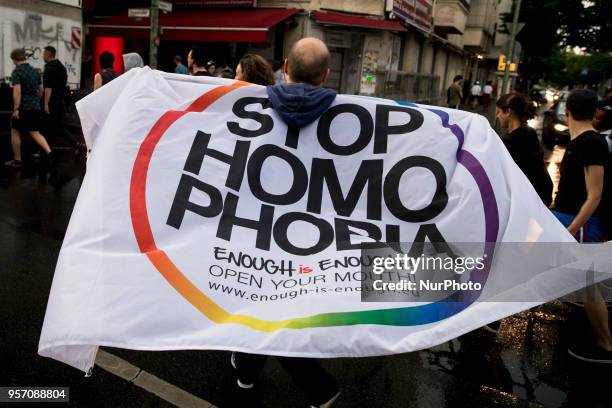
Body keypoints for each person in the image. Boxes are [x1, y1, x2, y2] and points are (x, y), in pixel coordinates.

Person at [230, 39, 340, 408]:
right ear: (326, 74)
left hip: (260, 230)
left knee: (266, 305)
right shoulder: (352, 120)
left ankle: (317, 386)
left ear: (286, 69)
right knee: (274, 306)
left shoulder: (248, 108)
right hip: (310, 237)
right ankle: (246, 366)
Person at [551, 89, 611, 363]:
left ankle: (605, 345)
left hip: (581, 224)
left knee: (589, 285)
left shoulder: (591, 144)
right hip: (566, 218)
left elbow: (594, 195)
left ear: (568, 111)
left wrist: (570, 231)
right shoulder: (579, 141)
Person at [496, 92, 553, 205]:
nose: (497, 116)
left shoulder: (513, 140)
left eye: (499, 112)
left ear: (508, 112)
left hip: (529, 200)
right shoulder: (528, 132)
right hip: (540, 195)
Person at [5, 48, 54, 169]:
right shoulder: (34, 71)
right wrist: (36, 100)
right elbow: (41, 89)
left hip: (23, 108)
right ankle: (50, 153)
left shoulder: (17, 71)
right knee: (35, 133)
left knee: (15, 130)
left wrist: (16, 109)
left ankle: (17, 160)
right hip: (35, 107)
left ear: (15, 59)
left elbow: (17, 92)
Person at [41, 46, 74, 148]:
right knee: (58, 126)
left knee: (44, 127)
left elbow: (48, 87)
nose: (42, 56)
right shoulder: (62, 68)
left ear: (48, 54)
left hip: (51, 102)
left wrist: (46, 104)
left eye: (43, 53)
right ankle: (75, 144)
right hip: (60, 101)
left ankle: (44, 151)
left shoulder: (49, 68)